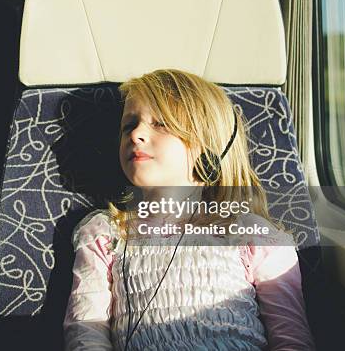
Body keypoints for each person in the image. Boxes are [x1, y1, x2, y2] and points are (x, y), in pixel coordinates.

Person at [63, 69, 315, 350]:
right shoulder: (105, 233)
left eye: (161, 124)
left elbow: (291, 338)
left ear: (206, 148)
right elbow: (86, 330)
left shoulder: (252, 236)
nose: (136, 134)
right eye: (128, 124)